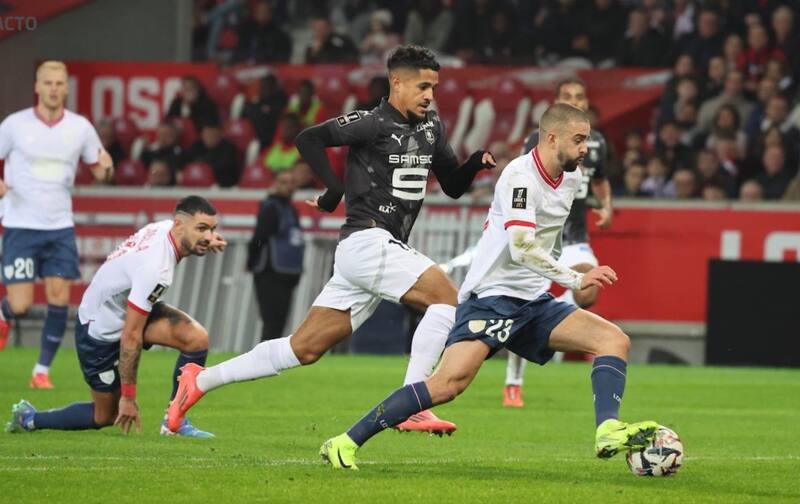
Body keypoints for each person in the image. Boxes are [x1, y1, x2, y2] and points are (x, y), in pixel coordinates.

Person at [166, 45, 496, 436]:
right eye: (423, 86)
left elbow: (453, 187)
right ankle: (414, 403)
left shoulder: (431, 128)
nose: (430, 95)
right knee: (446, 299)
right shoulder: (372, 122)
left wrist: (474, 164)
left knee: (301, 349)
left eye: (434, 87)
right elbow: (309, 138)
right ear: (397, 83)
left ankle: (198, 381)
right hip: (367, 241)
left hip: (373, 254)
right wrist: (335, 188)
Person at [319, 104, 658, 470]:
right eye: (578, 141)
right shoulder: (519, 177)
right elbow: (522, 245)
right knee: (447, 385)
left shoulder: (573, 179)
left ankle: (607, 430)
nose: (584, 150)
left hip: (533, 302)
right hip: (492, 300)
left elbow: (547, 241)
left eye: (587, 141)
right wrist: (576, 279)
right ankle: (345, 442)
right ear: (551, 137)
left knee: (614, 341)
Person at [6, 196, 226, 437]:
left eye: (212, 229)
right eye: (202, 229)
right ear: (178, 225)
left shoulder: (165, 228)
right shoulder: (156, 269)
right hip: (98, 332)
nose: (207, 236)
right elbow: (131, 337)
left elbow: (133, 327)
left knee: (195, 338)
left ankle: (174, 421)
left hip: (124, 309)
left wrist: (206, 239)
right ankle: (29, 418)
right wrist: (129, 398)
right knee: (105, 415)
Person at [0, 61, 114, 386]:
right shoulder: (14, 125)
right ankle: (4, 313)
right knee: (21, 304)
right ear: (37, 86)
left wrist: (106, 168)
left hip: (59, 226)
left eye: (59, 83)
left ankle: (41, 372)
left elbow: (101, 170)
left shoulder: (80, 128)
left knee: (60, 299)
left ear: (66, 88)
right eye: (47, 82)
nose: (53, 88)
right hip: (20, 224)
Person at [504, 77, 613, 408]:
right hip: (540, 238)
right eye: (567, 96)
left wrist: (606, 205)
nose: (575, 100)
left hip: (575, 237)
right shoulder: (534, 144)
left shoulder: (595, 145)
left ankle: (559, 311)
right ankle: (513, 382)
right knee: (522, 303)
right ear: (556, 102)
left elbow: (602, 180)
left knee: (589, 290)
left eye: (580, 96)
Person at [247, 170, 304, 342]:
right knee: (271, 321)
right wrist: (251, 261)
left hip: (287, 272)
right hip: (270, 271)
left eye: (292, 182)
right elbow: (260, 236)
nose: (289, 186)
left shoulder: (291, 209)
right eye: (284, 182)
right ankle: (262, 361)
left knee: (278, 322)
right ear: (275, 184)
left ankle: (268, 361)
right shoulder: (271, 206)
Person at [183, 121, 240, 187]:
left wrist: (202, 165)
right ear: (202, 135)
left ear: (220, 135)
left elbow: (223, 167)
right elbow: (187, 165)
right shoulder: (195, 147)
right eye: (207, 134)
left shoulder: (228, 148)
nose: (210, 137)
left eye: (213, 134)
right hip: (197, 185)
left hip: (223, 186)